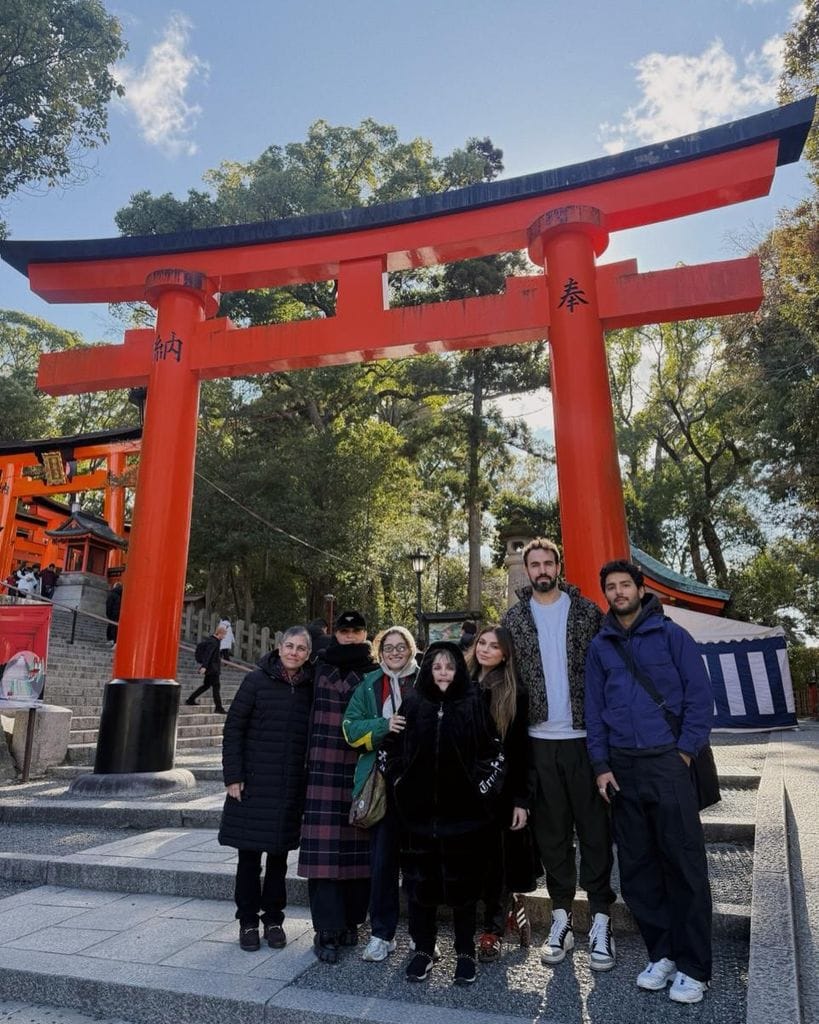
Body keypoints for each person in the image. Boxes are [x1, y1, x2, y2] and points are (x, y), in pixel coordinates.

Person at [585, 560, 714, 1004]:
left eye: (625, 585)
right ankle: (662, 953)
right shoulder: (600, 646)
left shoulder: (672, 635)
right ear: (605, 594)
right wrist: (600, 765)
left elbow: (699, 696)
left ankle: (695, 966)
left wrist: (684, 751)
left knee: (683, 863)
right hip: (622, 766)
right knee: (638, 869)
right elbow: (594, 709)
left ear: (641, 589)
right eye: (611, 587)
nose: (619, 592)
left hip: (666, 761)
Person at [502, 538, 615, 971]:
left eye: (549, 562)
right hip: (538, 741)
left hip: (585, 737)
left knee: (595, 832)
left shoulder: (587, 613)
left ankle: (602, 918)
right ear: (527, 570)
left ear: (559, 566)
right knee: (551, 835)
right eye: (535, 563)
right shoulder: (513, 618)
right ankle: (563, 917)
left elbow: (611, 665)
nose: (542, 569)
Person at [384, 641, 506, 987]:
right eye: (436, 667)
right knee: (420, 889)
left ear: (458, 670)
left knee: (463, 891)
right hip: (418, 820)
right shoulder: (414, 703)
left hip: (464, 820)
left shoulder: (474, 703)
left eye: (449, 667)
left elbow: (494, 753)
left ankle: (465, 952)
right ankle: (423, 949)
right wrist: (398, 782)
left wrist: (480, 790)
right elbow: (389, 748)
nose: (443, 673)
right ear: (428, 670)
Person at [219, 626, 314, 951]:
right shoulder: (255, 681)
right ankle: (247, 922)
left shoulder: (309, 687)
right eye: (290, 646)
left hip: (288, 788)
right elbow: (233, 729)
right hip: (253, 785)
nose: (294, 653)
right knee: (248, 859)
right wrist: (233, 775)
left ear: (308, 654)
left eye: (301, 649)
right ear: (279, 646)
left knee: (278, 858)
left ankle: (273, 919)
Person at [298, 609, 377, 964]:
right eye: (344, 630)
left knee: (360, 854)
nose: (349, 635)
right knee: (324, 857)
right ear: (336, 633)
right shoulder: (317, 667)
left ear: (365, 634)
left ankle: (352, 923)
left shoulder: (376, 672)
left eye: (356, 630)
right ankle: (326, 928)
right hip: (322, 769)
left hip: (363, 770)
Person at [342, 625, 419, 963]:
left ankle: (421, 933)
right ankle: (381, 933)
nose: (395, 652)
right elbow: (349, 729)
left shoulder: (426, 680)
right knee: (382, 862)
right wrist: (382, 727)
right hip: (379, 783)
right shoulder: (369, 685)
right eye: (388, 647)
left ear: (411, 648)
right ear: (379, 651)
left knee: (419, 863)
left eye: (401, 646)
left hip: (419, 784)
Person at [466, 624, 538, 962]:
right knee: (467, 859)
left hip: (499, 789)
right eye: (482, 642)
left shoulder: (514, 692)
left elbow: (521, 749)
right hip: (461, 787)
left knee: (496, 863)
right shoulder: (460, 682)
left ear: (505, 653)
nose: (485, 649)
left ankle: (492, 931)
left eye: (494, 646)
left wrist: (522, 799)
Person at [186, 624, 228, 713]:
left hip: (212, 668)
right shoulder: (213, 642)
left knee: (206, 686)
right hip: (213, 669)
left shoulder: (214, 641)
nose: (224, 637)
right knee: (216, 687)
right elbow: (208, 655)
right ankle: (218, 707)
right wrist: (204, 666)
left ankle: (190, 699)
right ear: (220, 633)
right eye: (224, 635)